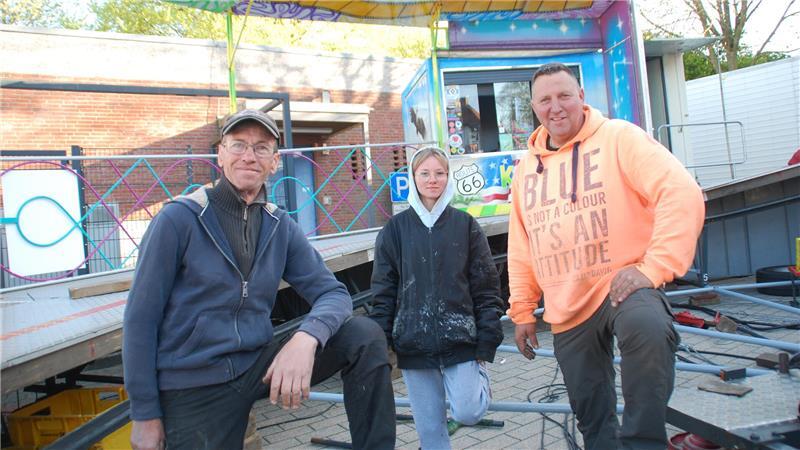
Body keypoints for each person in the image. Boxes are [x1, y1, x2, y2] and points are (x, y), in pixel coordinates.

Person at [123, 109, 396, 450]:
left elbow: (333, 293)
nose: (249, 156)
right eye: (238, 145)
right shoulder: (178, 220)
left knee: (363, 335)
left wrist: (306, 338)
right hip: (195, 382)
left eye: (261, 148)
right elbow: (139, 320)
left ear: (275, 161)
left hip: (255, 365)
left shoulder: (279, 225)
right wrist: (144, 414)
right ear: (220, 154)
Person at [507, 63, 705, 450]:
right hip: (566, 306)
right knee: (592, 416)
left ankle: (642, 443)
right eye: (545, 99)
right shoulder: (526, 170)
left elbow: (680, 192)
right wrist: (523, 310)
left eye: (565, 95)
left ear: (582, 97)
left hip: (622, 286)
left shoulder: (619, 138)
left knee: (648, 328)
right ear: (534, 107)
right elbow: (522, 245)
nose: (556, 107)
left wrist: (653, 268)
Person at [370, 146, 504, 449]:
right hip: (413, 344)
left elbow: (485, 285)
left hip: (461, 340)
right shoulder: (395, 229)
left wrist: (487, 338)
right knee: (431, 435)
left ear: (448, 176)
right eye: (425, 173)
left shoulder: (466, 224)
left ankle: (479, 380)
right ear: (413, 178)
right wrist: (381, 341)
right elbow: (384, 289)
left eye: (440, 173)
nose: (433, 180)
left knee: (468, 411)